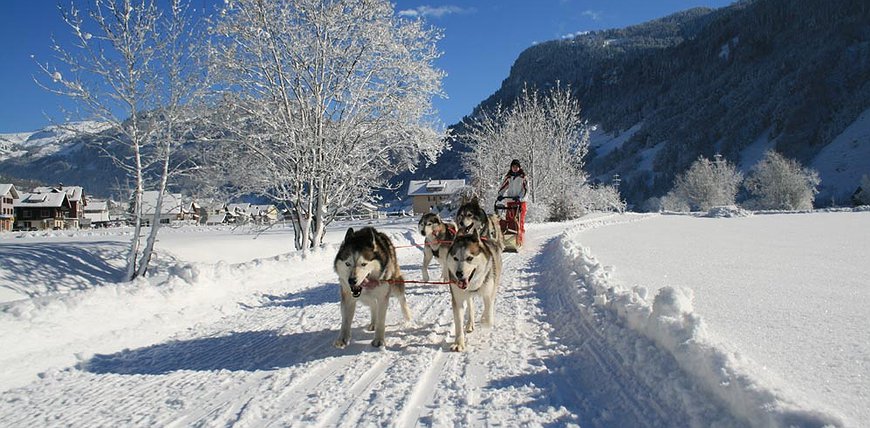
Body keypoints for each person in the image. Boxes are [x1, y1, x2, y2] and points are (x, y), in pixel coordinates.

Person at [497, 159, 528, 238]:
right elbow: (503, 187)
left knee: (519, 221)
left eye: (516, 167)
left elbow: (526, 190)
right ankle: (509, 239)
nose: (514, 168)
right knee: (509, 221)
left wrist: (520, 198)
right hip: (510, 201)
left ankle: (520, 239)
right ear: (511, 167)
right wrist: (500, 195)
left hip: (520, 202)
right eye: (513, 166)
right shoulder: (509, 177)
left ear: (519, 167)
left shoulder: (523, 178)